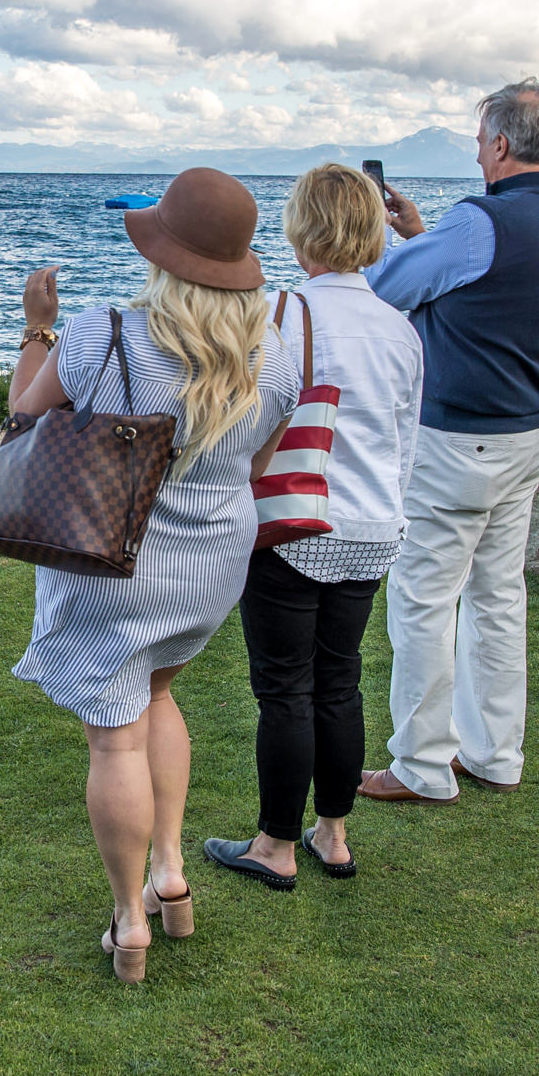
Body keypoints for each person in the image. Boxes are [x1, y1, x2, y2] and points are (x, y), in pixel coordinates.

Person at [6, 167, 299, 980]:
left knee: (114, 736)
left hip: (112, 559)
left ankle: (130, 918)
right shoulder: (272, 358)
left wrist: (36, 329)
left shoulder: (105, 334)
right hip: (211, 565)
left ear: (164, 257)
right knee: (157, 695)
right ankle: (170, 873)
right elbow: (255, 463)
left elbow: (21, 423)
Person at [359, 80, 539, 803]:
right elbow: (492, 290)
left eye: (478, 140)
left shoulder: (480, 222)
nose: (476, 151)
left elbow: (384, 289)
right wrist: (424, 235)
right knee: (499, 596)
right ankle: (496, 752)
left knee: (425, 599)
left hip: (461, 437)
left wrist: (383, 239)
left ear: (499, 144)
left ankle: (423, 764)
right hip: (530, 429)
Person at [203, 164, 423, 889]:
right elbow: (404, 442)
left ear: (303, 234)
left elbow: (244, 418)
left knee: (285, 688)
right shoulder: (400, 329)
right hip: (371, 524)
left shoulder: (283, 315)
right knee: (340, 681)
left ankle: (273, 843)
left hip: (295, 520)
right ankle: (332, 832)